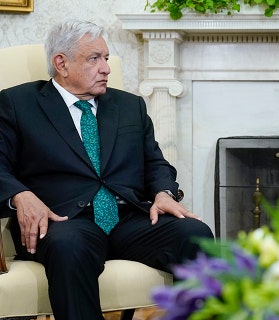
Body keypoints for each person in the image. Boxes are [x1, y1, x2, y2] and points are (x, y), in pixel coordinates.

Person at [0, 20, 214, 319]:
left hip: (129, 219)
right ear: (61, 63)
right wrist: (20, 195)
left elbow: (155, 162)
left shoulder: (130, 106)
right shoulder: (18, 103)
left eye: (107, 58)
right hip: (64, 221)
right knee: (69, 247)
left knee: (196, 234)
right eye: (94, 59)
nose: (106, 69)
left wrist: (164, 193)